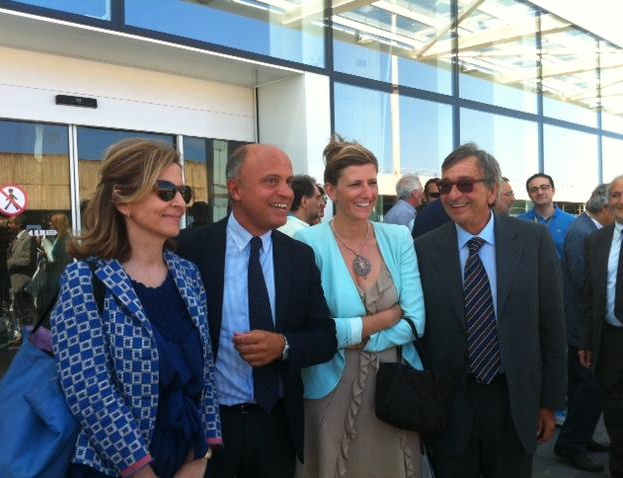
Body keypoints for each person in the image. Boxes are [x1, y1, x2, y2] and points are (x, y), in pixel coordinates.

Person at [51, 139, 222, 478]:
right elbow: (89, 391)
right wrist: (140, 471)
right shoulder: (85, 279)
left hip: (186, 457)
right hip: (116, 466)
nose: (180, 203)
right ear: (123, 201)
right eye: (165, 191)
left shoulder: (188, 274)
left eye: (183, 193)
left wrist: (201, 456)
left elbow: (206, 373)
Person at [177, 144, 337, 478]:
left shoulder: (299, 257)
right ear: (235, 190)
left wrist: (284, 345)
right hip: (208, 426)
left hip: (275, 425)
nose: (286, 192)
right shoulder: (190, 249)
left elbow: (325, 337)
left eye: (288, 182)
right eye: (271, 181)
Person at [414, 143, 566, 478]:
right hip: (450, 404)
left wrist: (550, 402)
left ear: (492, 191)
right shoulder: (423, 249)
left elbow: (552, 325)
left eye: (465, 184)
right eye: (445, 186)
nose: (454, 195)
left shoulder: (533, 240)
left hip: (515, 399)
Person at [294, 137, 426, 478]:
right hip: (330, 385)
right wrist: (386, 317)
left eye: (372, 182)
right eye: (355, 184)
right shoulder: (307, 242)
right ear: (331, 191)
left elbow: (416, 321)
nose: (367, 193)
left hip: (394, 386)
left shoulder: (398, 237)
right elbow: (313, 329)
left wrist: (358, 336)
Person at [554, 184, 612, 472]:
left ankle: (581, 437)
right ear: (605, 207)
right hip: (581, 326)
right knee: (589, 388)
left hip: (583, 324)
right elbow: (582, 282)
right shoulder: (583, 232)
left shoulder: (588, 228)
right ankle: (571, 444)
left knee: (586, 389)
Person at [580, 175, 623, 478]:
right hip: (610, 341)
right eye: (616, 195)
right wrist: (586, 340)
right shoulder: (597, 241)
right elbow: (590, 295)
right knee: (616, 417)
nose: (621, 201)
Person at [519, 173, 575, 260]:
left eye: (544, 187)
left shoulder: (571, 222)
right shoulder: (520, 222)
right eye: (534, 189)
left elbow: (574, 258)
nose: (540, 192)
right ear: (529, 194)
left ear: (553, 190)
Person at [6, 214, 37, 338]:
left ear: (19, 224)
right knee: (19, 308)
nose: (9, 225)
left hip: (23, 280)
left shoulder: (28, 238)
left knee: (26, 309)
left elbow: (27, 260)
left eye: (11, 223)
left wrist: (9, 263)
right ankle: (23, 334)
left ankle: (32, 336)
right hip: (15, 279)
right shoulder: (16, 238)